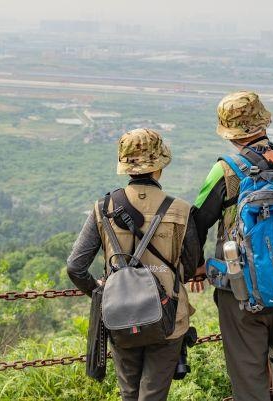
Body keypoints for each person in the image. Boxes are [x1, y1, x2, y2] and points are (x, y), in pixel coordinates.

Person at [191, 92, 273, 401]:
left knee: (248, 377)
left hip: (240, 291)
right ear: (263, 121)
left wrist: (196, 265)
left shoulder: (226, 170)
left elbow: (196, 225)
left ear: (229, 131)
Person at [67, 128, 201, 401]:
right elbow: (191, 263)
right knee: (153, 395)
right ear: (159, 167)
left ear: (125, 166)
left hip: (120, 314)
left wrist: (103, 291)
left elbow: (75, 267)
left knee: (129, 394)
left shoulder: (103, 208)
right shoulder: (181, 210)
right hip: (169, 316)